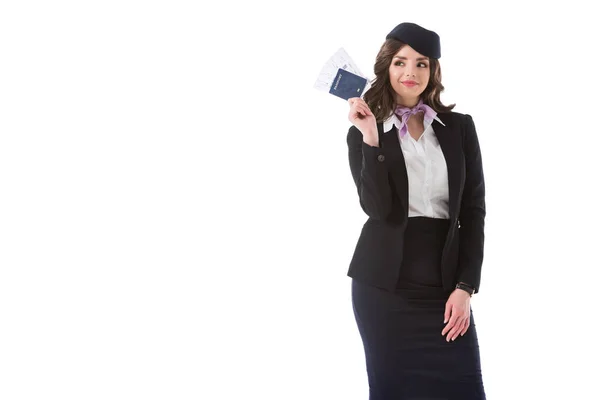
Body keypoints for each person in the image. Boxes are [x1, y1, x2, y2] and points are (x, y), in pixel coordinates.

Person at [346, 22, 487, 399]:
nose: (410, 72)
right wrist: (372, 139)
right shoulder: (365, 130)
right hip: (383, 287)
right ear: (386, 68)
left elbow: (473, 211)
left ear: (433, 71)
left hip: (444, 284)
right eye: (400, 62)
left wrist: (465, 286)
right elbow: (376, 208)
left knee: (464, 388)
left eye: (421, 63)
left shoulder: (459, 128)